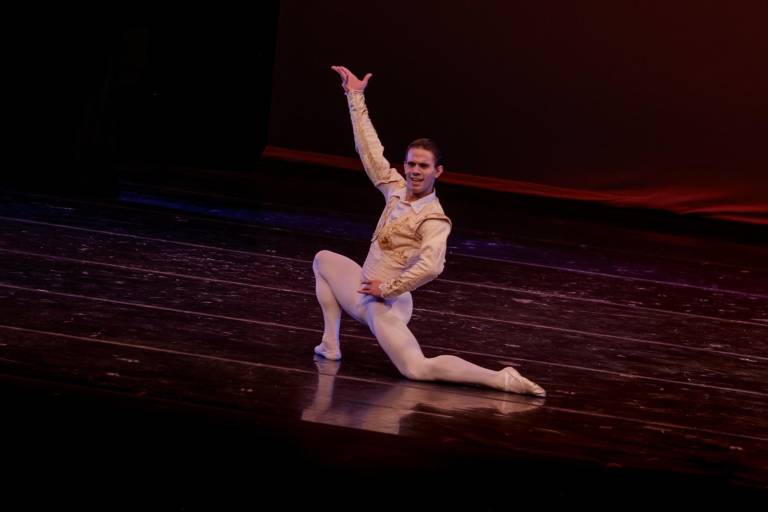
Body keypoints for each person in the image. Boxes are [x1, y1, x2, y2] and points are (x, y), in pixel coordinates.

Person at [311, 65, 545, 397]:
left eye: (423, 166)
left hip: (384, 299)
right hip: (368, 288)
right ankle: (330, 343)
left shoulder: (434, 219)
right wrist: (355, 96)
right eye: (411, 164)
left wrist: (386, 289)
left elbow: (432, 266)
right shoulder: (394, 189)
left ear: (438, 171)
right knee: (323, 260)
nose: (415, 171)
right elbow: (370, 151)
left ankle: (501, 378)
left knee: (416, 369)